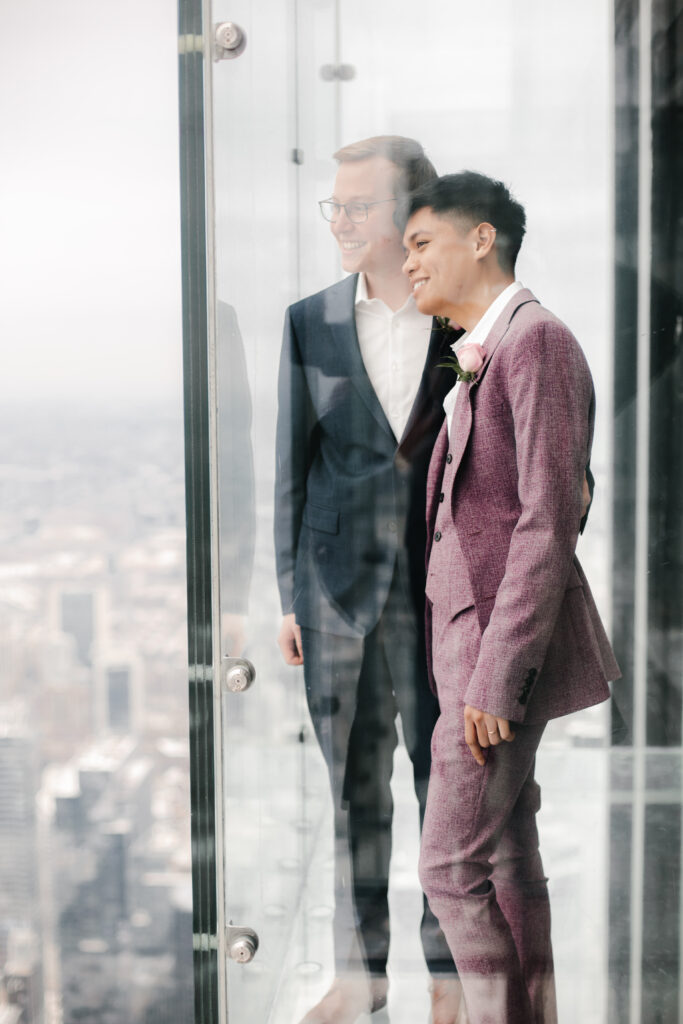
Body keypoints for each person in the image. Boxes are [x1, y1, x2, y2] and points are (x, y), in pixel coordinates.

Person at [400, 172, 621, 1023]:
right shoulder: (484, 349)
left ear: (480, 239)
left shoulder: (536, 342)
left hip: (494, 656)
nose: (408, 263)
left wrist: (496, 678)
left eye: (423, 244)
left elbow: (545, 520)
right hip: (467, 646)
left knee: (448, 869)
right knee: (504, 859)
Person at [274, 137, 464, 1023]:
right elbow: (292, 468)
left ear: (407, 217)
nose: (340, 221)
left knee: (444, 787)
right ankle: (364, 979)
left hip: (440, 597)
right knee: (354, 796)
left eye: (357, 206)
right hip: (336, 597)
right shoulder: (307, 320)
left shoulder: (464, 319)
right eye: (335, 206)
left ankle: (450, 975)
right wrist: (288, 595)